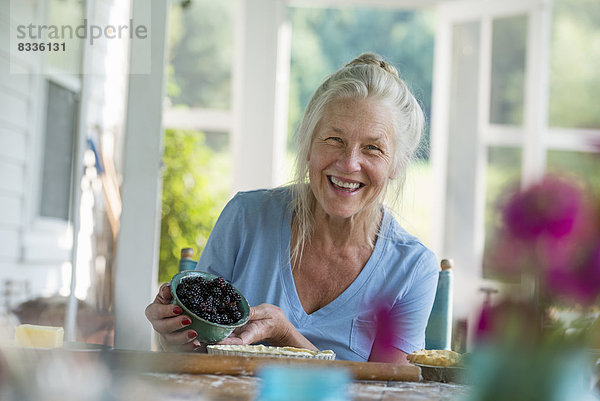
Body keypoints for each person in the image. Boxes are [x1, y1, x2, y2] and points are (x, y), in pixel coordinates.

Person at [145, 52, 439, 363]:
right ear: (308, 143)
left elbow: (386, 395)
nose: (349, 163)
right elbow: (197, 356)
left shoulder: (412, 268)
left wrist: (287, 336)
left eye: (373, 148)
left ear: (397, 163)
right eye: (334, 139)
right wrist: (174, 338)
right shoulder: (246, 217)